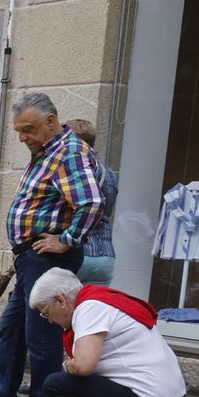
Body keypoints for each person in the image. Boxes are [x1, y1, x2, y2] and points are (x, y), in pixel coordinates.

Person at [0, 92, 103, 397]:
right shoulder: (46, 151)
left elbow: (91, 202)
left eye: (29, 129)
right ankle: (3, 395)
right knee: (13, 328)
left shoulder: (69, 151)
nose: (23, 137)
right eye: (19, 131)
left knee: (40, 333)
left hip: (45, 257)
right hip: (30, 257)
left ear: (51, 121)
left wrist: (66, 240)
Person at [20, 268, 186, 397]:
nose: (50, 320)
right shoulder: (95, 302)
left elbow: (80, 368)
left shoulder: (89, 309)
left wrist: (67, 365)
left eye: (46, 312)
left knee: (54, 382)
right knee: (63, 382)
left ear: (60, 300)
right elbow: (75, 384)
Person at [68, 119, 117, 285]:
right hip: (105, 255)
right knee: (92, 308)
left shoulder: (73, 170)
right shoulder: (110, 174)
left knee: (57, 307)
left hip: (77, 251)